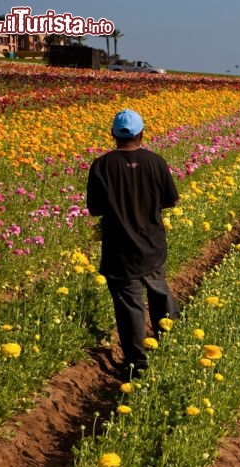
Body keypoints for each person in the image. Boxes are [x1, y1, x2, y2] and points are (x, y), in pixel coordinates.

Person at [87, 108, 180, 377]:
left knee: (130, 306)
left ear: (112, 135)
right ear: (142, 133)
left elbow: (95, 209)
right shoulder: (157, 162)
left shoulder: (101, 166)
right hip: (152, 245)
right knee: (159, 292)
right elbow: (171, 200)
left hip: (120, 251)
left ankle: (137, 364)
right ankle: (169, 346)